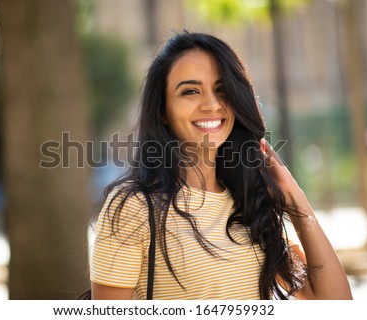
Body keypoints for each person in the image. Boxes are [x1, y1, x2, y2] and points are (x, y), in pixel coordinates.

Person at [89, 31, 352, 300]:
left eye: (222, 90)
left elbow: (335, 304)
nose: (212, 105)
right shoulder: (134, 208)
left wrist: (296, 200)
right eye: (190, 91)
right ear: (162, 111)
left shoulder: (249, 204)